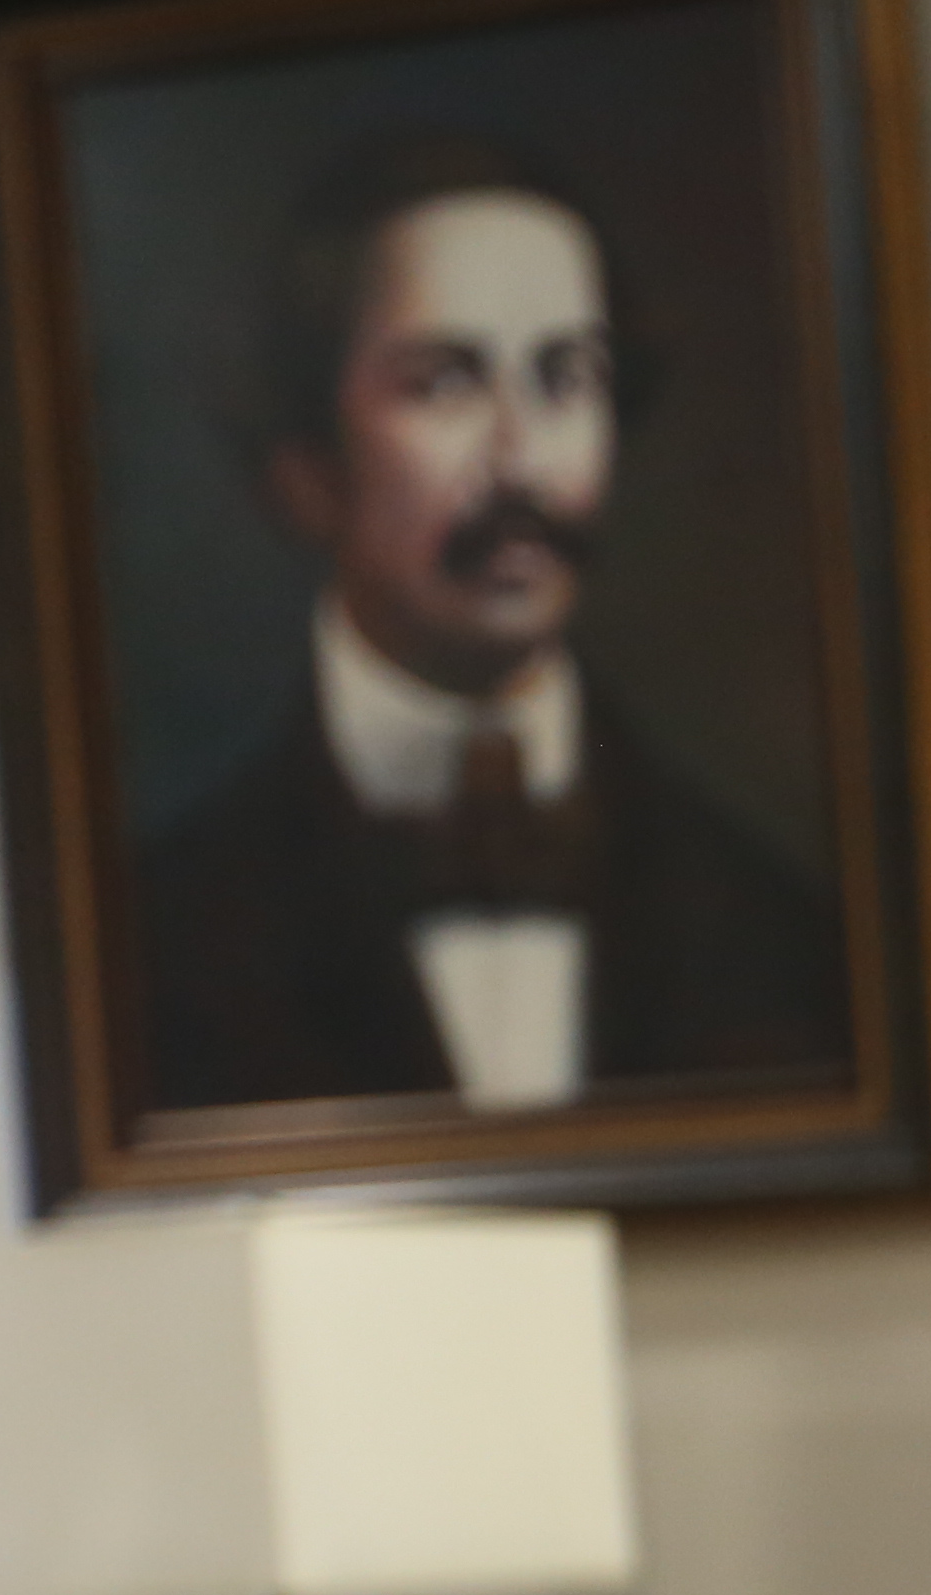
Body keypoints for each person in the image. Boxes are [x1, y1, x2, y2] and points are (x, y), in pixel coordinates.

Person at [127, 133, 844, 1119]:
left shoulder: (769, 922)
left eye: (566, 378)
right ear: (306, 468)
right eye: (444, 382)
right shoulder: (158, 938)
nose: (519, 461)